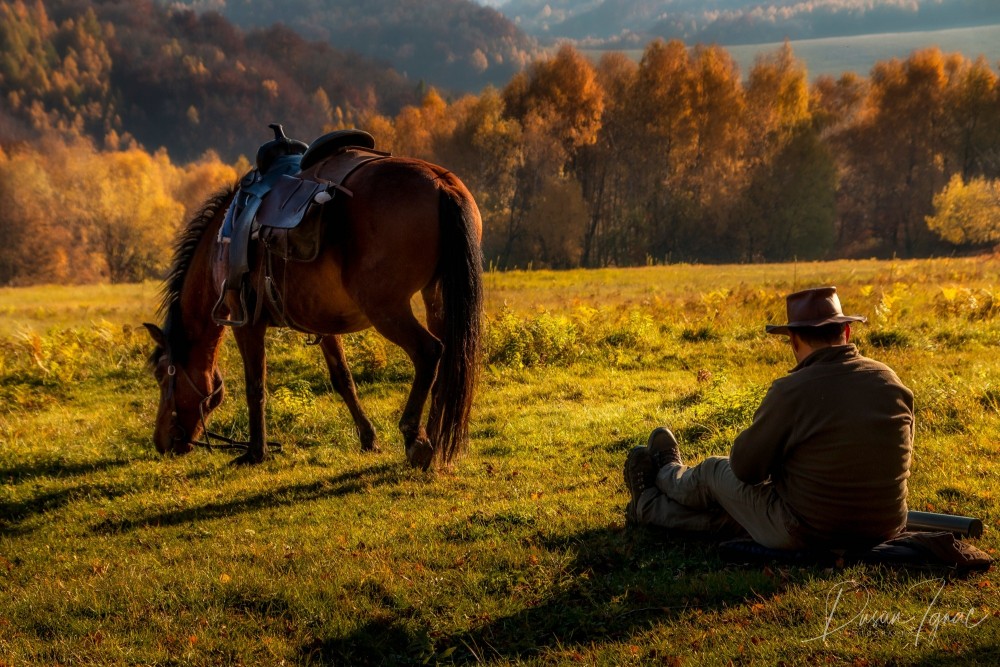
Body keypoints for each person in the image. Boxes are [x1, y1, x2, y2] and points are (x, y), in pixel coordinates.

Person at [624, 286, 914, 550]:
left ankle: (665, 474)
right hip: (885, 526)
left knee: (714, 471)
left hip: (806, 531)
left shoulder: (791, 391)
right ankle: (648, 506)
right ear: (847, 332)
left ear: (794, 340)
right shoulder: (889, 379)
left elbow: (745, 469)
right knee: (741, 518)